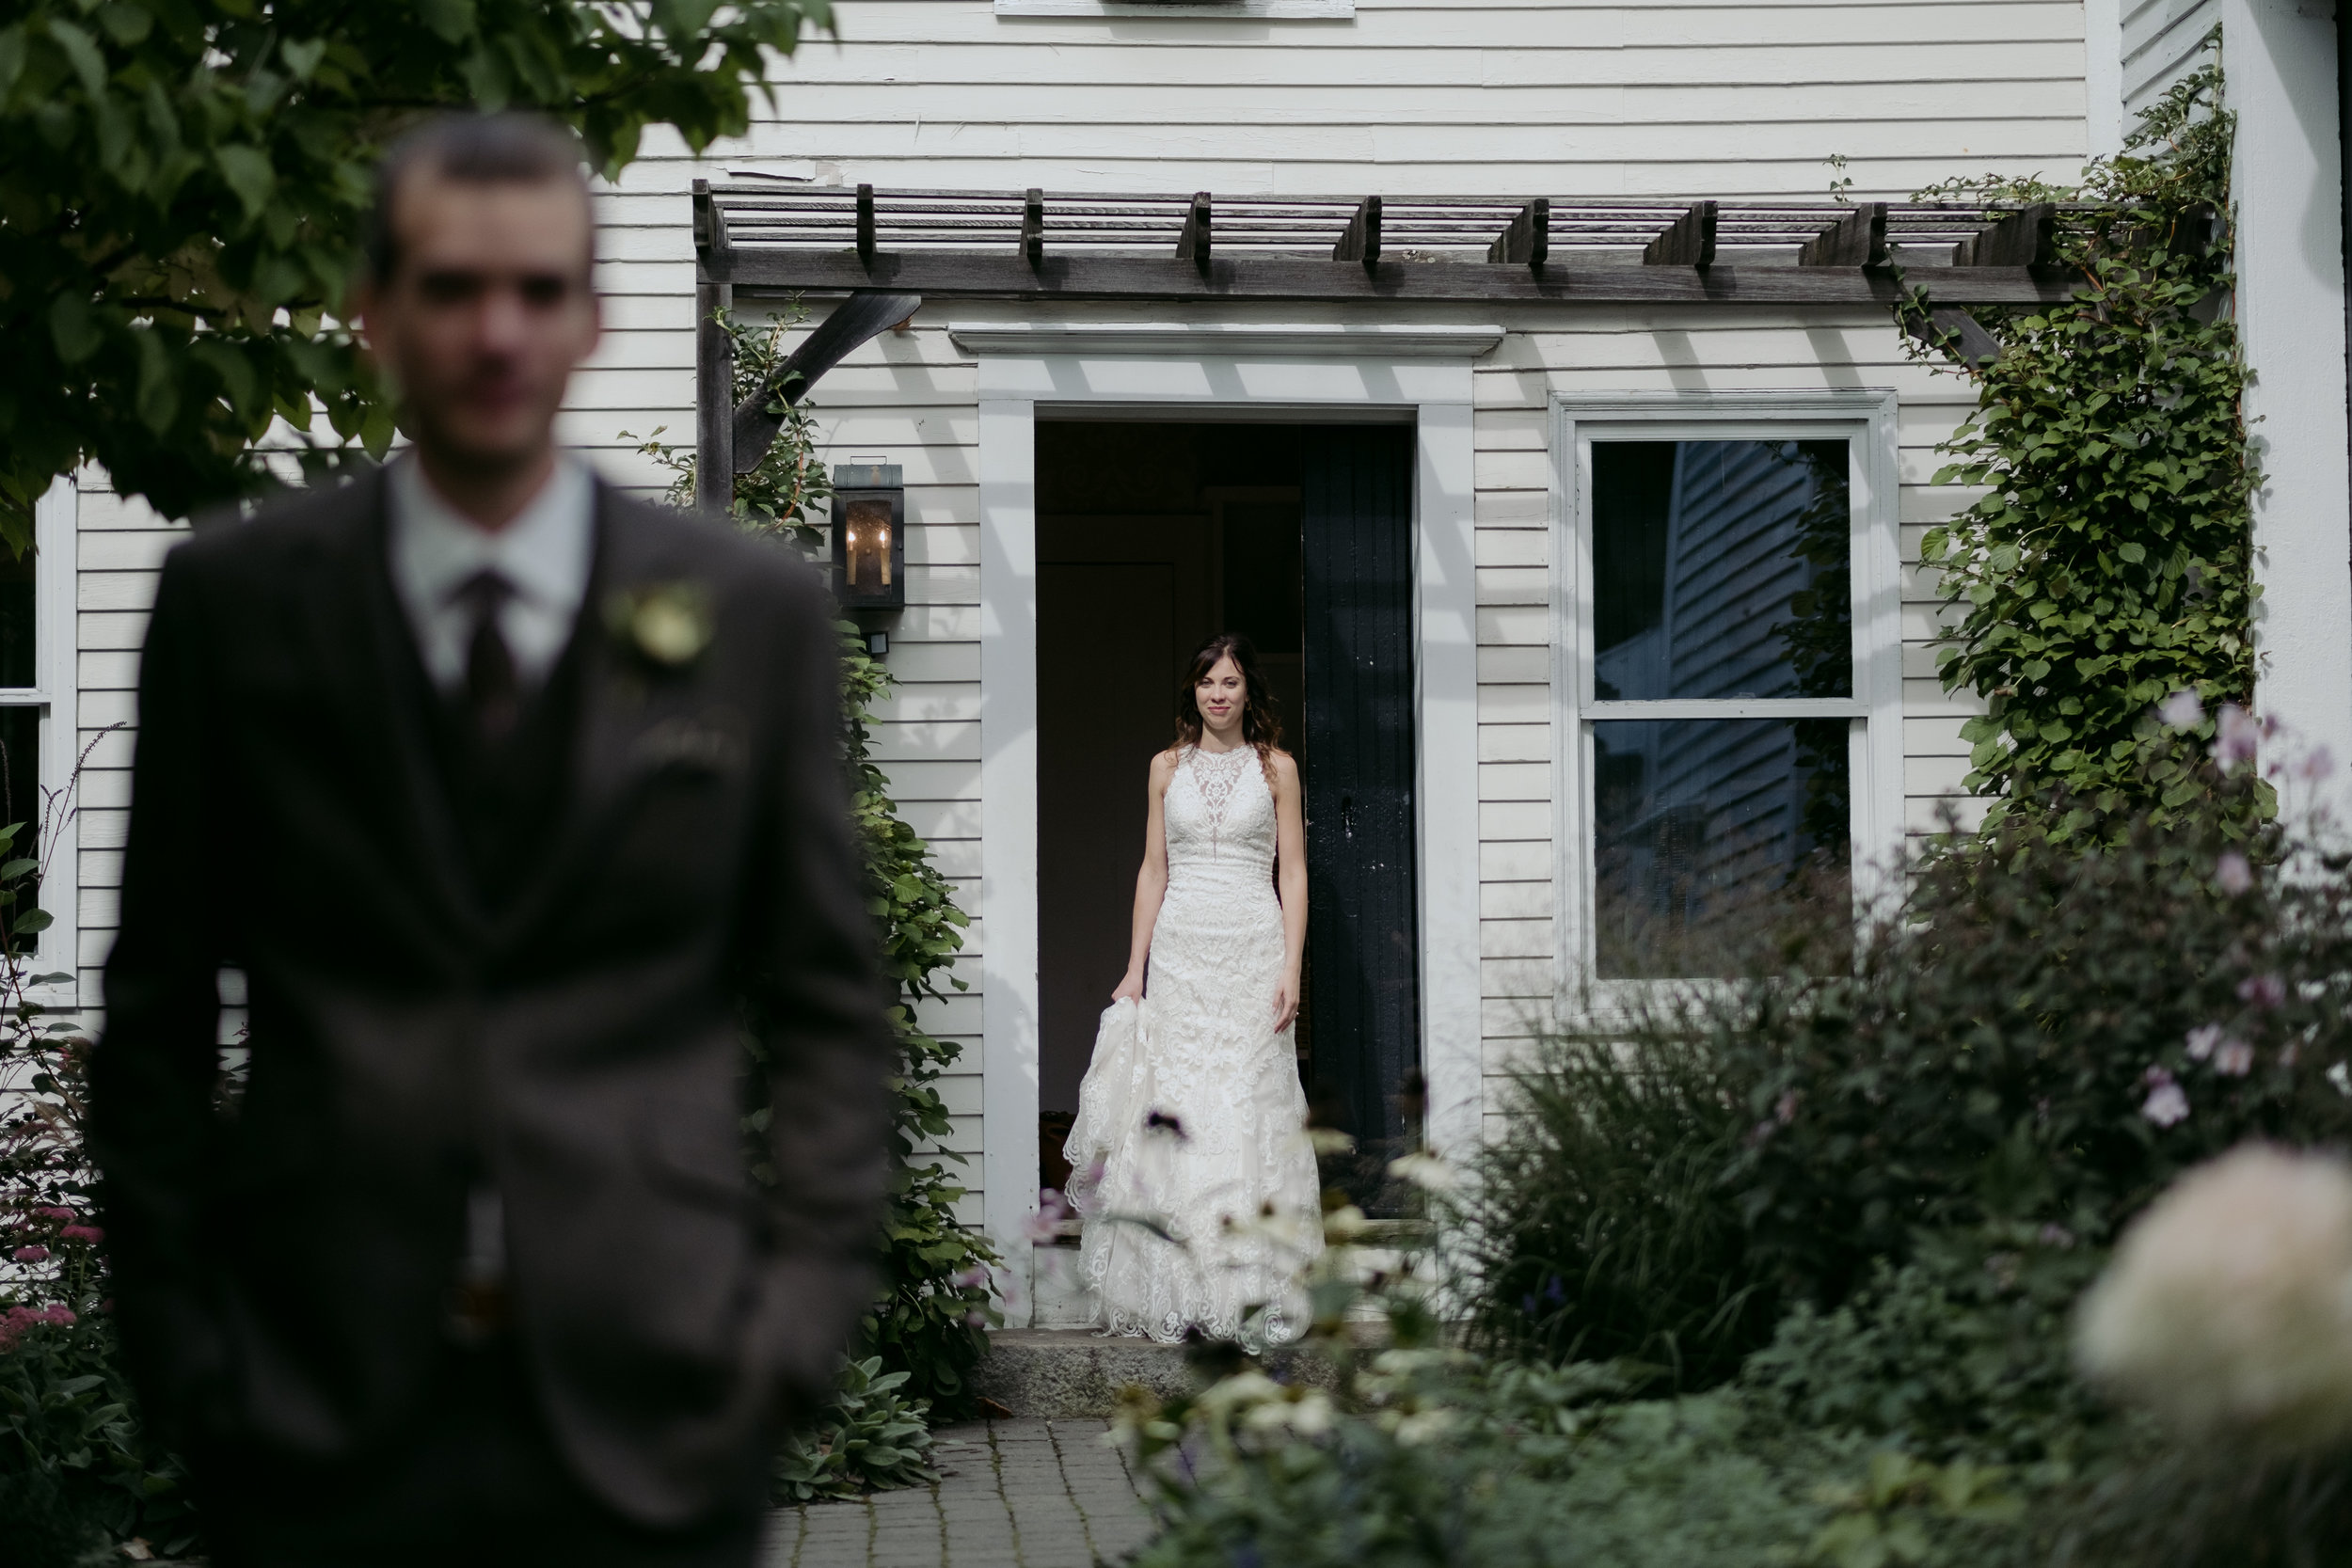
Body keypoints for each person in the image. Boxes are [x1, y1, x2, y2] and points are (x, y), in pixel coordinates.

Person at [87, 113, 895, 1568]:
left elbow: (830, 1004)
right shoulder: (239, 603)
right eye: (452, 288)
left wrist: (787, 1335)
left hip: (660, 1397)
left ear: (593, 316)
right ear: (374, 312)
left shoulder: (747, 616)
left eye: (535, 290)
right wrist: (192, 1361)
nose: (495, 331)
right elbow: (153, 1012)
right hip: (315, 1407)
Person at [1062, 633, 1324, 1345]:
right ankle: (1171, 1286)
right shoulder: (1164, 767)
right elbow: (1153, 869)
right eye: (1208, 682)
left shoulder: (1279, 770)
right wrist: (1134, 966)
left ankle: (1250, 1284)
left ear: (1249, 692)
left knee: (1247, 1104)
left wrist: (1291, 967)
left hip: (1251, 948)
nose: (1219, 694)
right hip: (1179, 953)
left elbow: (1293, 873)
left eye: (1232, 682)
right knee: (1175, 1103)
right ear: (1192, 691)